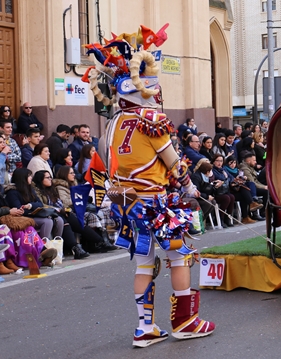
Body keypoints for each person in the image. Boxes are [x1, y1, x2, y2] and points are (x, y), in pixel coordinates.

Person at [85, 31, 213, 347]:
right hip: (158, 203)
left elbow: (107, 161)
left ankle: (145, 328)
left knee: (144, 263)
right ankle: (185, 321)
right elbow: (174, 163)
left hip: (128, 205)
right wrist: (190, 187)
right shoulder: (151, 120)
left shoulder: (112, 124)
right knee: (179, 257)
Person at [53, 166, 116, 252]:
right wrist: (79, 198)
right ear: (65, 174)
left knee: (92, 216)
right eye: (71, 173)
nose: (74, 175)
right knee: (90, 216)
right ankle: (100, 242)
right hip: (71, 210)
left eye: (73, 172)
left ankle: (99, 243)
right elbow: (65, 202)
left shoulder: (74, 184)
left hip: (80, 209)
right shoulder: (60, 187)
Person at [32, 170, 93, 258]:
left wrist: (65, 209)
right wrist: (59, 209)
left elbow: (60, 203)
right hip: (46, 213)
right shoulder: (37, 191)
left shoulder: (52, 189)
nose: (50, 179)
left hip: (57, 212)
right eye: (47, 178)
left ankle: (97, 242)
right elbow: (42, 205)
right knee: (63, 220)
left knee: (73, 218)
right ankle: (76, 247)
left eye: (50, 177)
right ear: (40, 179)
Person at [5, 168, 58, 240]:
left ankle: (58, 244)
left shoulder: (29, 189)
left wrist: (31, 206)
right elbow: (19, 210)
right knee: (47, 222)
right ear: (22, 178)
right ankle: (43, 247)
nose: (31, 178)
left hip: (33, 215)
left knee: (58, 219)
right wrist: (33, 210)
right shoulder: (12, 192)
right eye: (29, 176)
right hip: (22, 218)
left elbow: (40, 203)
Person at [223, 155, 260, 224]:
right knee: (244, 190)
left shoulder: (237, 170)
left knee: (250, 184)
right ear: (227, 162)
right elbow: (230, 179)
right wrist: (236, 179)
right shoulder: (225, 169)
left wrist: (243, 178)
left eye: (234, 163)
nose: (233, 165)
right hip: (232, 190)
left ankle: (246, 217)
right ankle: (252, 203)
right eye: (231, 163)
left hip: (239, 188)